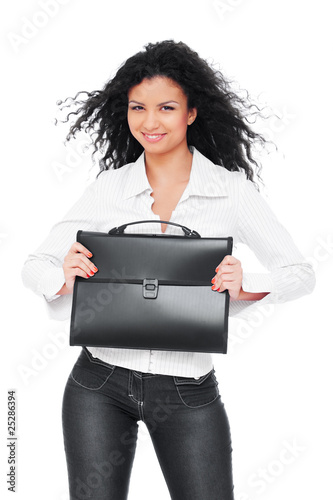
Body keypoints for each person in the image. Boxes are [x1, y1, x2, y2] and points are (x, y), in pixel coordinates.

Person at [21, 40, 315, 500]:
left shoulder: (230, 191)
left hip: (187, 390)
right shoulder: (110, 187)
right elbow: (34, 264)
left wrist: (247, 285)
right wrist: (64, 274)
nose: (150, 122)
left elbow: (300, 273)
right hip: (97, 382)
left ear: (192, 113)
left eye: (166, 107)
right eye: (138, 107)